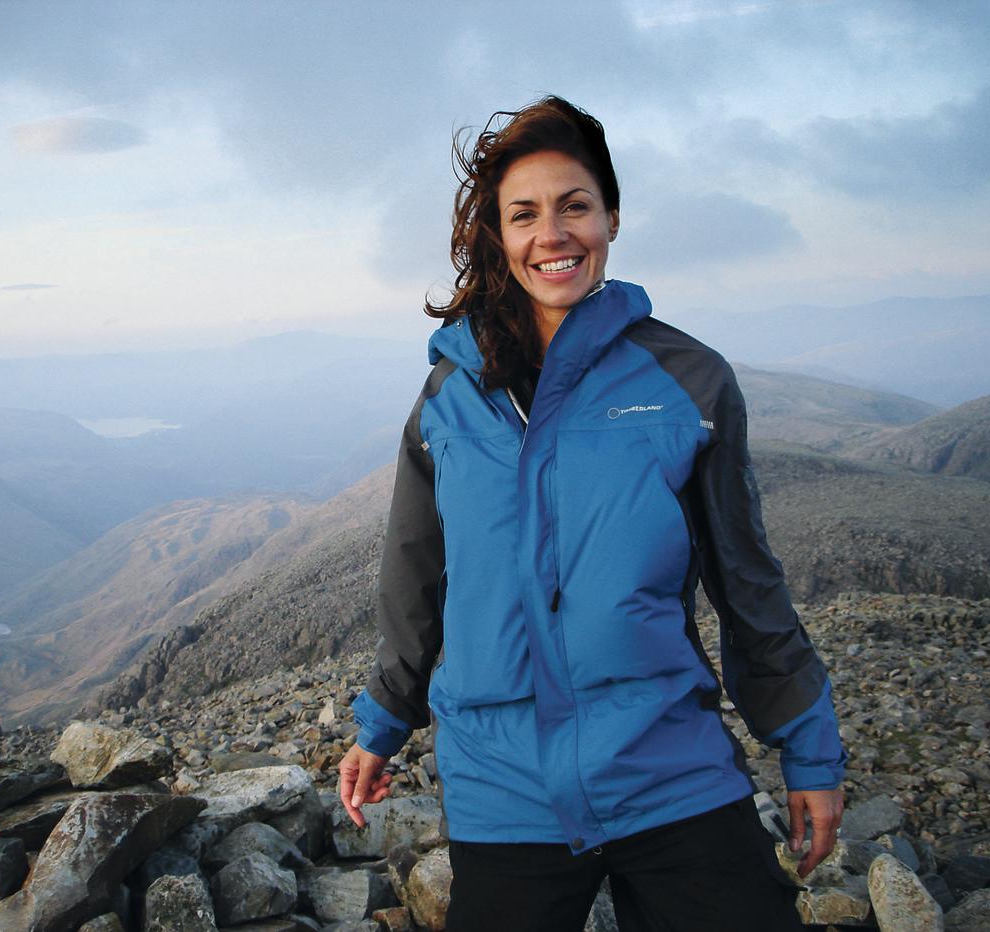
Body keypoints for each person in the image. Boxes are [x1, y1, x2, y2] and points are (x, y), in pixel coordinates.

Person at [339, 96, 846, 931]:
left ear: (611, 216)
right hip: (504, 789)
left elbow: (747, 581)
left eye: (575, 206)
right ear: (500, 236)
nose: (554, 234)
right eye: (525, 214)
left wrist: (810, 751)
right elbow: (417, 575)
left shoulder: (690, 382)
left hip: (668, 769)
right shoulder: (448, 399)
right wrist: (383, 722)